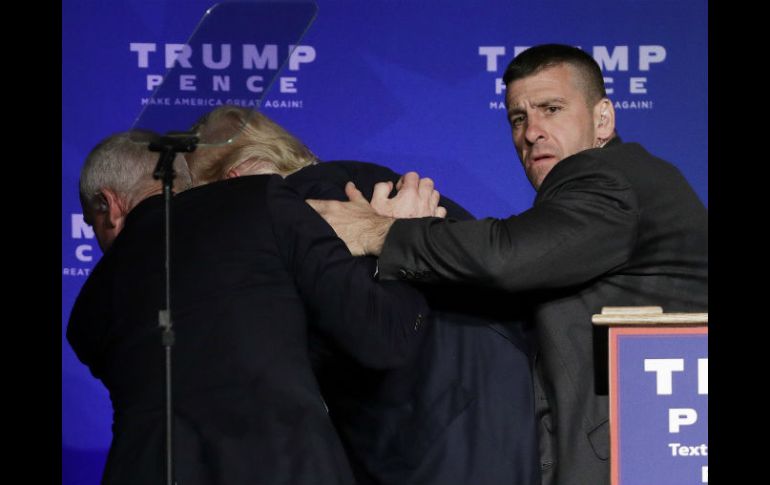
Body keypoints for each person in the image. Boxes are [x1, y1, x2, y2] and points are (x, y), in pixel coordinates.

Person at [307, 44, 708, 485]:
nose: (532, 132)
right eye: (518, 118)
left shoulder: (608, 176)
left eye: (551, 109)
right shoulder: (619, 186)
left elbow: (505, 257)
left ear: (603, 119)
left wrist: (379, 231)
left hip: (636, 457)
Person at [186, 105, 541, 485]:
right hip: (502, 409)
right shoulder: (356, 180)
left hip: (437, 435)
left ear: (233, 181)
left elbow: (372, 332)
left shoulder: (311, 208)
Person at [67, 130, 430, 484]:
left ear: (108, 205)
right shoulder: (259, 200)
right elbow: (383, 337)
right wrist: (400, 237)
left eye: (92, 224)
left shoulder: (87, 311)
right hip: (286, 466)